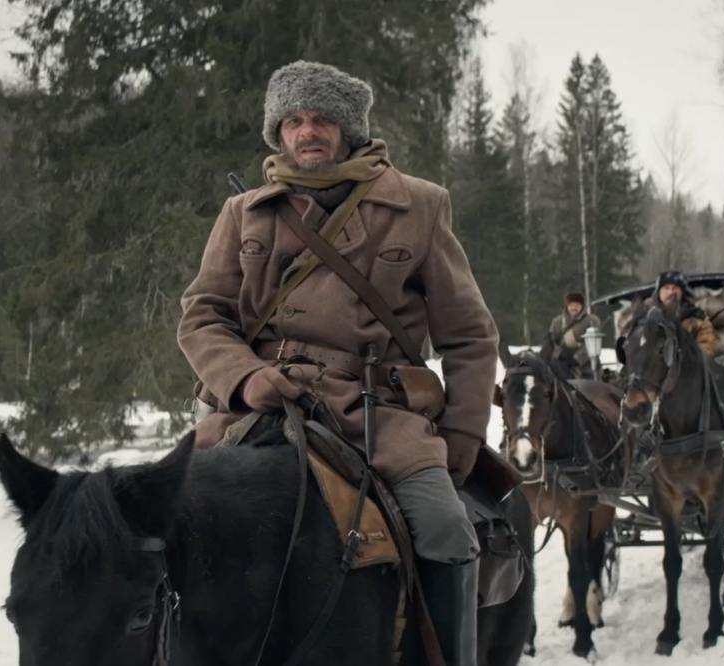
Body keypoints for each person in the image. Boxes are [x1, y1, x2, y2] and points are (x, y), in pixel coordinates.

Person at [176, 60, 498, 666]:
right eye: (294, 120)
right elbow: (202, 315)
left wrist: (461, 436)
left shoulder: (419, 206)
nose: (308, 132)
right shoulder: (243, 213)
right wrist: (244, 378)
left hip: (377, 414)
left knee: (445, 530)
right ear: (279, 133)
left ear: (348, 128)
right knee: (165, 524)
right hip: (259, 408)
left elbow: (470, 336)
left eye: (321, 119)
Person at [650, 270, 720, 357]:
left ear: (682, 292)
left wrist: (683, 354)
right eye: (666, 288)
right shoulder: (647, 317)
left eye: (674, 288)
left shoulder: (697, 319)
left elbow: (709, 347)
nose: (670, 292)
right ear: (658, 292)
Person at [548, 291, 601, 379]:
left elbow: (593, 343)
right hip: (561, 364)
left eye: (576, 305)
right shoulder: (557, 322)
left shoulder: (592, 321)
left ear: (582, 306)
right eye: (571, 305)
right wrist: (560, 354)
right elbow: (551, 341)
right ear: (567, 306)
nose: (573, 308)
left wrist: (577, 358)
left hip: (586, 367)